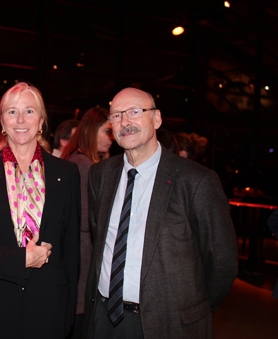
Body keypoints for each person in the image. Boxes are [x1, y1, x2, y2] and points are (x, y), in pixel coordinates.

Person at [83, 88, 238, 339]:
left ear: (156, 119)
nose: (125, 122)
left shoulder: (196, 181)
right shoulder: (100, 175)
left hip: (167, 324)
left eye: (135, 112)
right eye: (116, 115)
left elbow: (222, 261)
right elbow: (98, 238)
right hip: (102, 318)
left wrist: (194, 311)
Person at [0, 82, 80, 338]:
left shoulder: (66, 173)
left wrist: (68, 312)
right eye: (12, 112)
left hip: (47, 307)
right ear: (2, 121)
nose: (20, 119)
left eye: (29, 111)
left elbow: (71, 248)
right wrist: (19, 260)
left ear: (41, 120)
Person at [60, 107, 113, 339]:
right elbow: (84, 220)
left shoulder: (77, 160)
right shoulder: (85, 165)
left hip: (77, 255)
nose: (111, 138)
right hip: (83, 256)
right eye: (106, 131)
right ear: (91, 131)